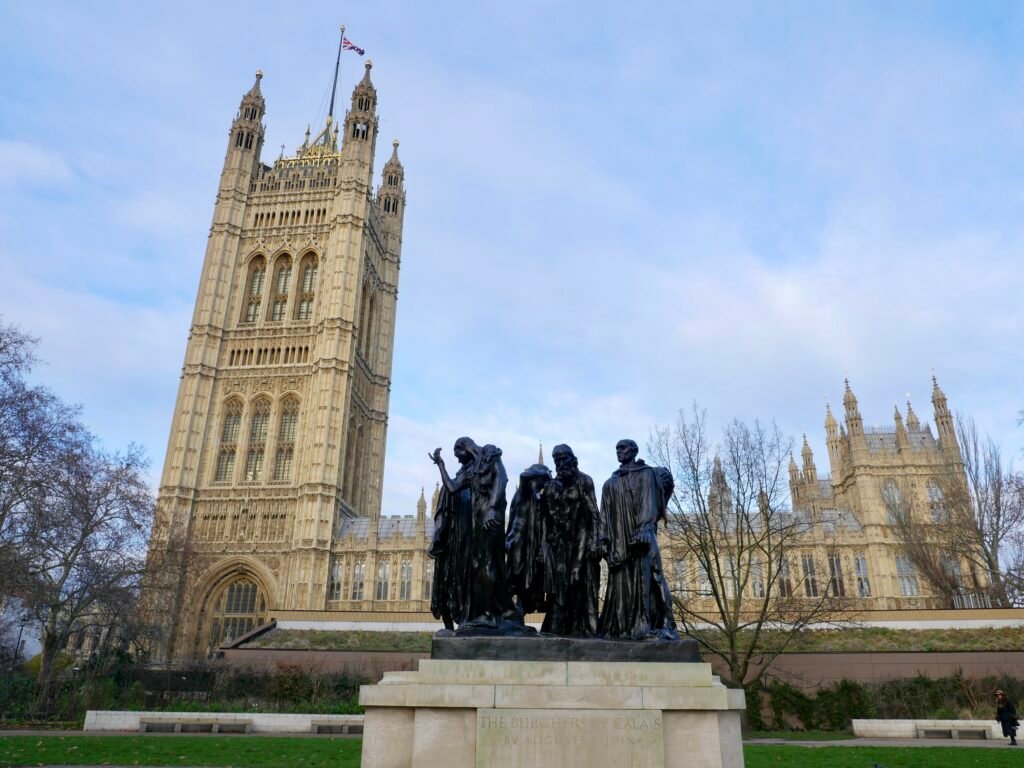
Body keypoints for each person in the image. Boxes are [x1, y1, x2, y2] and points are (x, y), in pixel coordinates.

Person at [597, 439, 680, 641]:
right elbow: (604, 516)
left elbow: (650, 502)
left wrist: (644, 527)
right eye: (616, 448)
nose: (619, 452)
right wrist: (603, 542)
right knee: (621, 583)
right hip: (620, 541)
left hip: (643, 535)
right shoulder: (610, 483)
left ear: (634, 451)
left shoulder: (647, 473)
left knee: (654, 578)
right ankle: (624, 626)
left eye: (623, 448)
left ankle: (666, 624)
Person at [427, 437, 511, 632]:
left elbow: (502, 478)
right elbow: (452, 487)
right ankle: (482, 612)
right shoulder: (470, 470)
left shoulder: (489, 453)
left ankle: (489, 615)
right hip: (477, 521)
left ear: (464, 448)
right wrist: (441, 465)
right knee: (477, 565)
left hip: (491, 517)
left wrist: (492, 507)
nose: (458, 460)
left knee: (488, 564)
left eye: (458, 455)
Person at [506, 463, 551, 620]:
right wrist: (544, 472)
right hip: (518, 543)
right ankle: (502, 610)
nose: (546, 486)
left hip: (532, 546)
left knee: (528, 584)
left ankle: (519, 616)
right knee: (514, 577)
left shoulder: (539, 498)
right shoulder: (524, 493)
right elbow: (524, 477)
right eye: (544, 482)